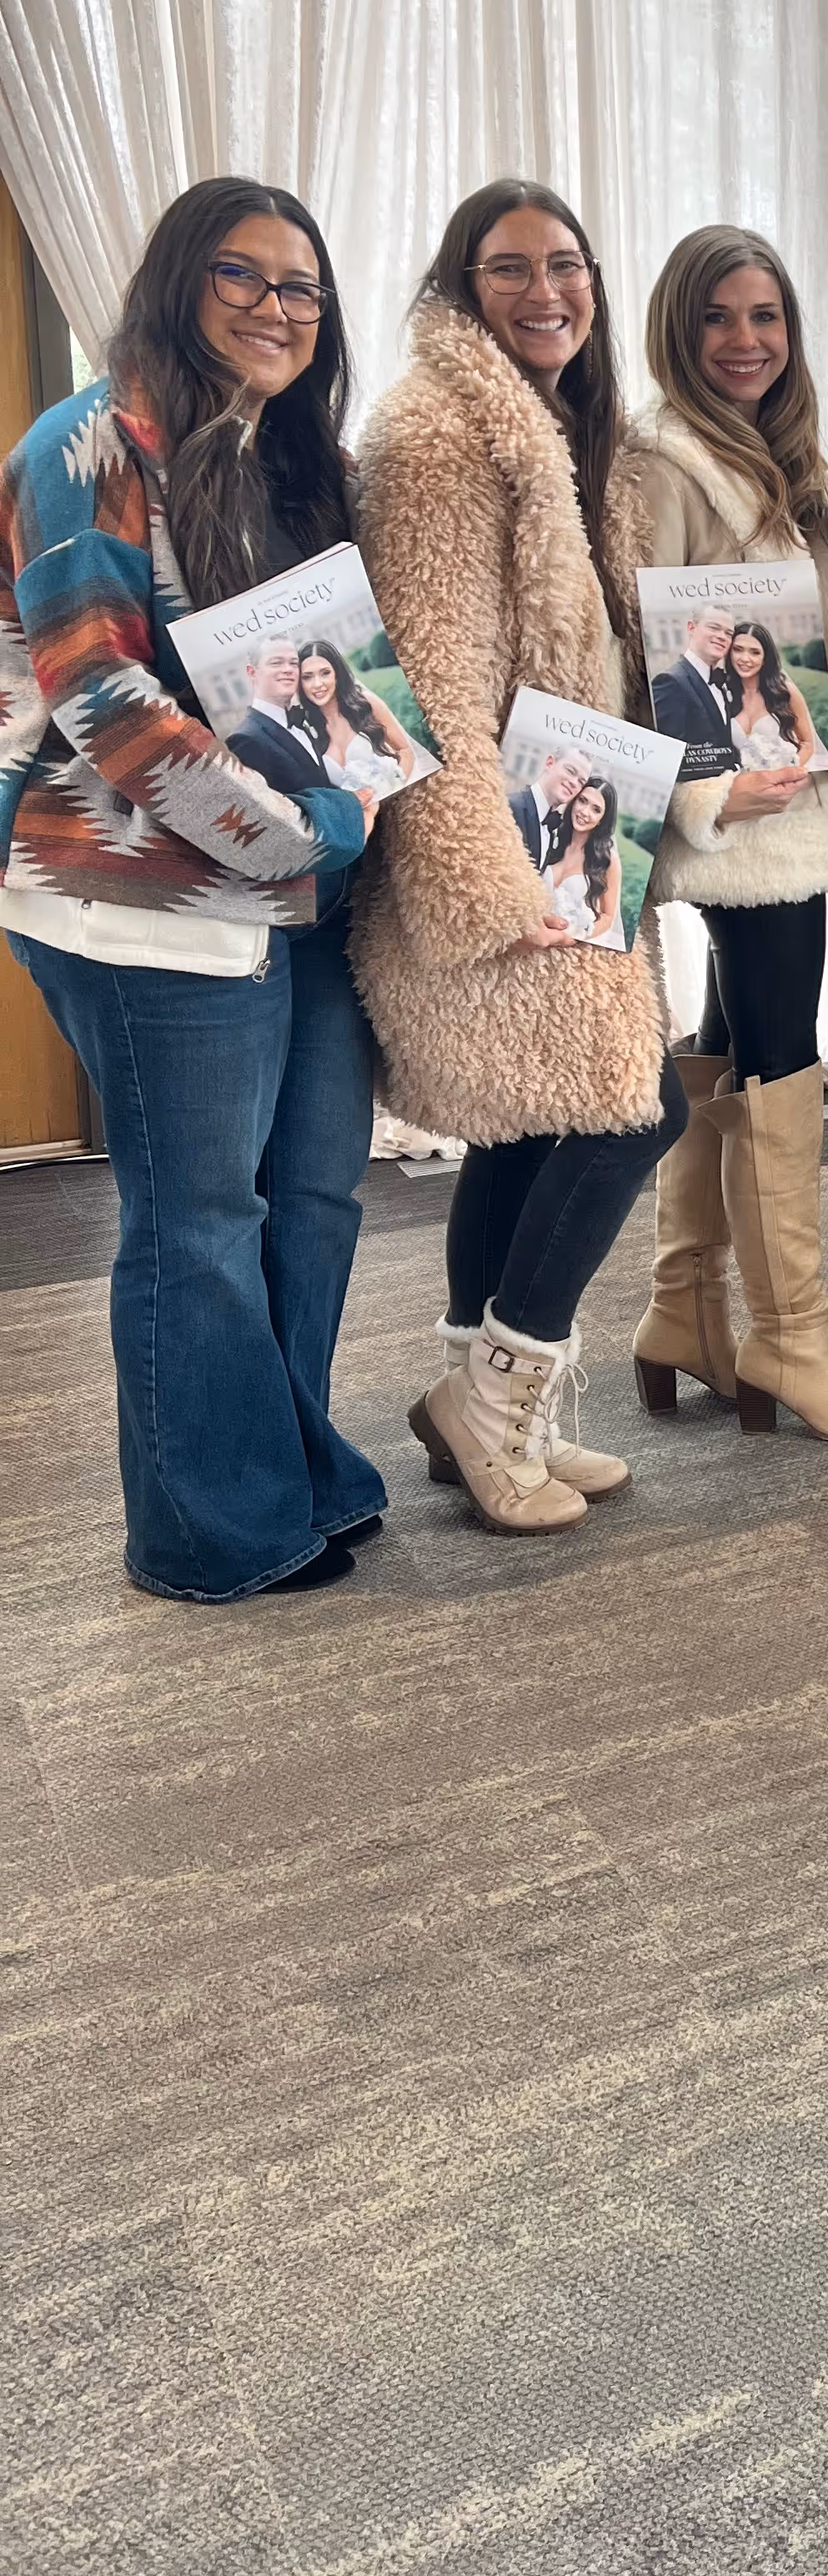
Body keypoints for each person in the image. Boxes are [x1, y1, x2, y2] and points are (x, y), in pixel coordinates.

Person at [0, 178, 381, 1599]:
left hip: (303, 886)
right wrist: (303, 827)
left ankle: (288, 1463)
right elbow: (99, 695)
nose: (278, 307)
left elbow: (334, 680)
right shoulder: (85, 447)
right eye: (243, 275)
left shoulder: (289, 457)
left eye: (302, 286)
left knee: (314, 1191)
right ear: (177, 279)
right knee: (199, 1220)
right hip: (139, 899)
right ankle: (209, 1526)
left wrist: (352, 800)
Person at [354, 178, 688, 1534]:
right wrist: (487, 884)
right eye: (511, 267)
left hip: (575, 819)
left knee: (536, 1114)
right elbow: (430, 678)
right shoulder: (439, 436)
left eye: (567, 264)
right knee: (631, 1107)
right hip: (505, 843)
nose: (546, 291)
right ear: (461, 282)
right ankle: (494, 1404)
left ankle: (488, 1415)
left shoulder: (560, 428)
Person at [628, 223, 828, 1444]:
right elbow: (629, 653)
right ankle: (791, 1339)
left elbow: (820, 659)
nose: (745, 341)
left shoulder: (792, 471)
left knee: (734, 1036)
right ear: (677, 330)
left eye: (766, 317)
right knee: (782, 1051)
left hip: (793, 794)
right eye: (717, 317)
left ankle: (684, 1310)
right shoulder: (660, 465)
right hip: (745, 816)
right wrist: (697, 793)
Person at [297, 638, 422, 797]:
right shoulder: (307, 729)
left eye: (325, 673)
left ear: (337, 674)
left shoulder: (366, 704)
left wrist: (393, 789)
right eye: (307, 677)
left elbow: (405, 751)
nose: (317, 684)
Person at [227, 636, 333, 798]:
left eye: (294, 663)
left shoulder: (302, 722)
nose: (288, 669)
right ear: (252, 672)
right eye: (276, 663)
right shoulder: (244, 739)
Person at [538, 775, 621, 946]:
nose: (584, 812)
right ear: (574, 800)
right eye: (582, 801)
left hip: (569, 945)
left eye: (596, 810)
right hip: (533, 931)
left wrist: (578, 934)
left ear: (602, 819)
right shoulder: (550, 835)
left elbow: (608, 917)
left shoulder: (607, 860)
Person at [725, 624, 818, 768]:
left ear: (765, 658)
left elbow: (807, 744)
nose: (745, 658)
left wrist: (785, 774)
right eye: (738, 649)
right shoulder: (723, 693)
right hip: (738, 780)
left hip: (784, 778)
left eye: (755, 652)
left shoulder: (785, 691)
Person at [650, 605, 736, 758]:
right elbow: (668, 755)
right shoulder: (670, 682)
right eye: (714, 628)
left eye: (728, 633)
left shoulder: (721, 683)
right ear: (691, 628)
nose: (722, 637)